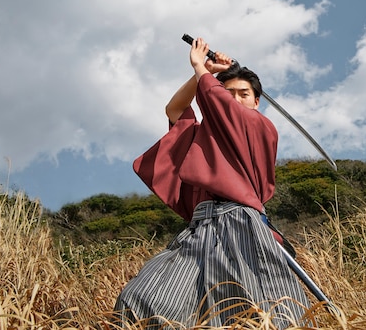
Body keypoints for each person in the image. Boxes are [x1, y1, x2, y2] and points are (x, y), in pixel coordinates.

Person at [113, 37, 312, 328]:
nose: (234, 98)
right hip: (201, 227)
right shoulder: (206, 135)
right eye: (227, 92)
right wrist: (205, 70)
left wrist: (201, 70)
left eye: (243, 94)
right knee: (144, 299)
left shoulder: (260, 127)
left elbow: (224, 109)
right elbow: (174, 109)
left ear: (256, 102)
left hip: (241, 223)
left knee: (259, 310)